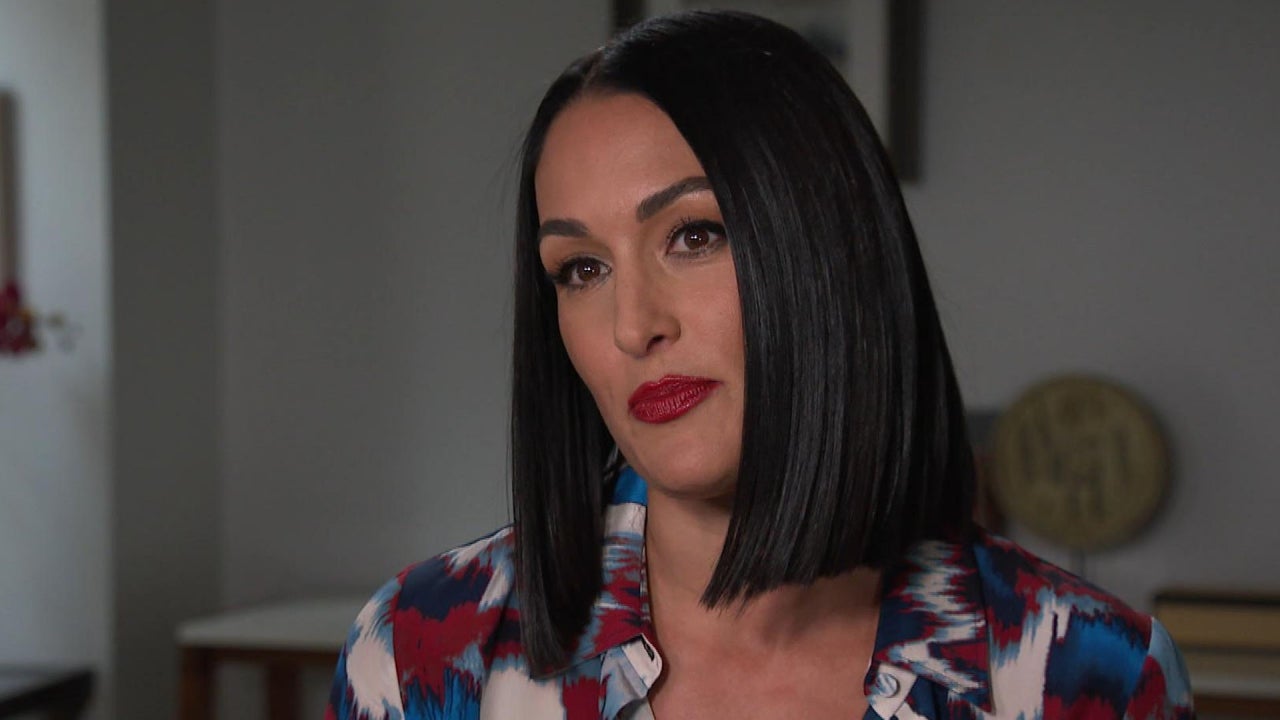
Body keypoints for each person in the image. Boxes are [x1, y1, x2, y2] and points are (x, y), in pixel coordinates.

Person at [326, 11, 1193, 720]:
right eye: (582, 269)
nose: (633, 327)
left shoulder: (1090, 676)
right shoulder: (424, 651)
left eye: (695, 235)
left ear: (833, 253)